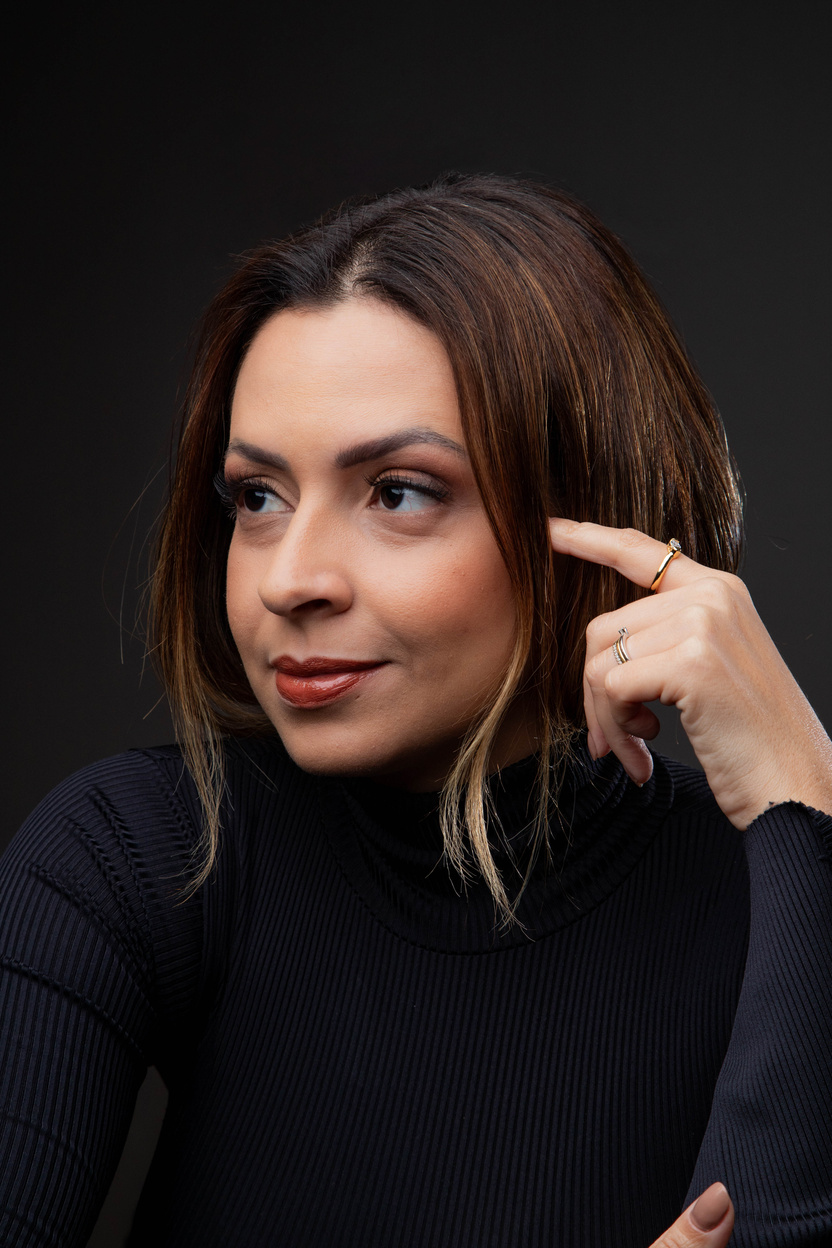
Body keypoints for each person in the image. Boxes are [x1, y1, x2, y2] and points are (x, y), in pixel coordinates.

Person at [1, 173, 830, 1248]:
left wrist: (806, 802)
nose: (289, 580)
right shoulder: (135, 854)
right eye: (257, 497)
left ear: (590, 510)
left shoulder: (774, 899)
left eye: (397, 491)